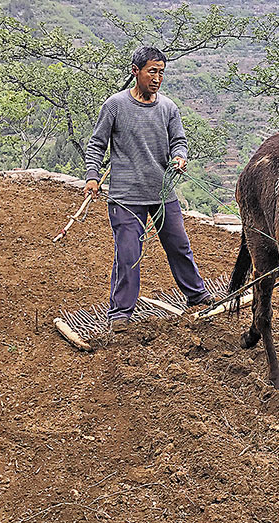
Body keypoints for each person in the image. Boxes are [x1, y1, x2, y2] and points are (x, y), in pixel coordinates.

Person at [83, 46, 213, 331]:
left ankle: (196, 295)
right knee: (128, 255)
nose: (157, 78)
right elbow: (96, 144)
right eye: (152, 71)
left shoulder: (168, 108)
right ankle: (120, 314)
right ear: (135, 72)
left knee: (179, 246)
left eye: (161, 72)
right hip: (126, 197)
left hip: (162, 192)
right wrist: (93, 175)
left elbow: (179, 141)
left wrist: (180, 157)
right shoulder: (115, 106)